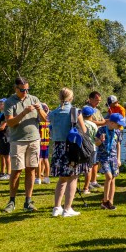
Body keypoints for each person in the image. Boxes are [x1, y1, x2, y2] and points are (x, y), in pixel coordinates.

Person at [2, 77, 47, 213]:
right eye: (22, 90)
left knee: (31, 169)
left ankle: (28, 201)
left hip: (34, 140)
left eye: (27, 89)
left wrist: (39, 110)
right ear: (16, 88)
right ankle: (12, 201)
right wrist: (24, 113)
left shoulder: (34, 99)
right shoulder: (9, 102)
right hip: (18, 141)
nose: (25, 92)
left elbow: (45, 120)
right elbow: (10, 123)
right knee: (16, 171)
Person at [49, 88, 80, 217]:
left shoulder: (54, 113)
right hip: (70, 147)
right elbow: (83, 129)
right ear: (71, 98)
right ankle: (67, 208)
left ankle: (57, 207)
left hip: (58, 147)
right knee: (73, 177)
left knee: (62, 178)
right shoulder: (74, 111)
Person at [96, 113, 124, 210]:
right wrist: (100, 140)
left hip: (114, 157)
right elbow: (96, 143)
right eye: (118, 124)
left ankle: (110, 201)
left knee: (113, 179)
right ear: (112, 123)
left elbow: (118, 145)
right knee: (109, 177)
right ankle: (105, 201)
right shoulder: (101, 130)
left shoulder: (118, 131)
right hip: (103, 157)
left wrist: (119, 158)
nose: (120, 126)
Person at [80, 91, 106, 195]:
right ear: (90, 99)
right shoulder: (85, 109)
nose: (98, 102)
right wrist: (103, 122)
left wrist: (103, 122)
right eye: (96, 100)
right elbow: (88, 121)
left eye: (99, 100)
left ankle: (94, 181)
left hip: (97, 138)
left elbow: (102, 120)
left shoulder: (97, 110)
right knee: (90, 163)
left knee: (96, 161)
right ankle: (87, 184)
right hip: (91, 139)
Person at [37, 102, 51, 185]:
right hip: (46, 142)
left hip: (39, 141)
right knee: (45, 159)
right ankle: (47, 178)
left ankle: (38, 178)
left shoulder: (39, 121)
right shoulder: (49, 120)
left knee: (39, 159)